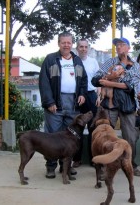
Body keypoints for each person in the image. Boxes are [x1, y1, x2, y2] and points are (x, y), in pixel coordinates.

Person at [39, 32, 87, 179]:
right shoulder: (50, 59)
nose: (66, 45)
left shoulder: (77, 60)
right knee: (52, 137)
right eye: (63, 42)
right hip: (55, 104)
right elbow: (44, 82)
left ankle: (65, 167)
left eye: (69, 42)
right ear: (58, 43)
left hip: (73, 105)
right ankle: (51, 167)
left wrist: (82, 94)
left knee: (70, 137)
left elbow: (84, 80)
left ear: (72, 44)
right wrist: (49, 102)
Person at [91, 37, 140, 177]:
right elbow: (95, 80)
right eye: (117, 45)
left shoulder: (135, 65)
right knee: (104, 134)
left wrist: (107, 81)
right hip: (109, 102)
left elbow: (130, 86)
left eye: (122, 45)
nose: (119, 47)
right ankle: (102, 166)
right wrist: (112, 76)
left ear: (128, 48)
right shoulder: (110, 62)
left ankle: (131, 164)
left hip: (127, 103)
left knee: (130, 136)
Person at [72, 38, 100, 168]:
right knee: (77, 129)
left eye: (85, 47)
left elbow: (99, 80)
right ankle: (76, 159)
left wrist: (98, 96)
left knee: (93, 128)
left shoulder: (93, 62)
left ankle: (93, 159)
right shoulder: (72, 61)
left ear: (88, 48)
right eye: (81, 47)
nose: (83, 49)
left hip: (91, 96)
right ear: (77, 48)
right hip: (77, 97)